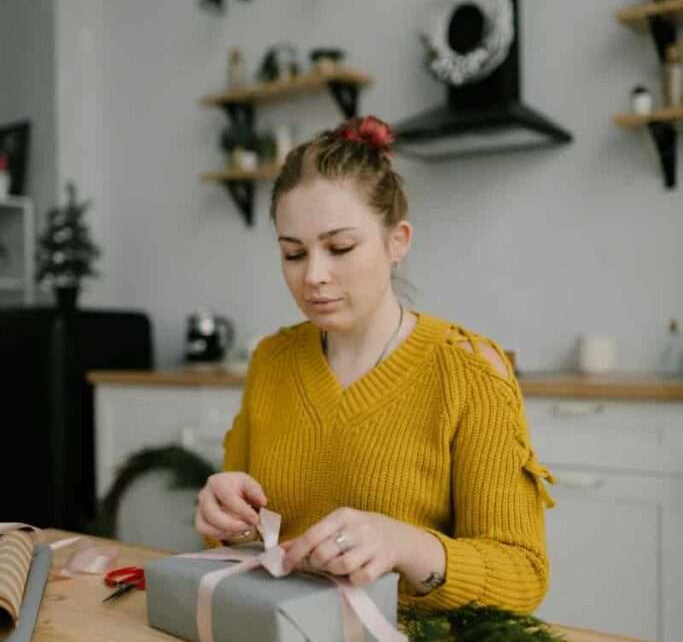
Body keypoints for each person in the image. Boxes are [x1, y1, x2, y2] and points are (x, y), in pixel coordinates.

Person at [195, 115, 556, 613]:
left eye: (340, 247)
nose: (314, 276)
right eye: (293, 254)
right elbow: (235, 549)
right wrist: (222, 517)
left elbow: (524, 576)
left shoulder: (471, 371)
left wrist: (406, 545)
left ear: (397, 242)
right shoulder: (271, 360)